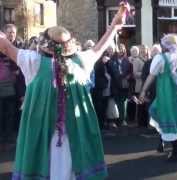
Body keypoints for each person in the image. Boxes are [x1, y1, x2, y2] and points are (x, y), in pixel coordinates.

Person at [0, 3, 129, 179]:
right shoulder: (82, 61)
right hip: (75, 135)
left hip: (43, 135)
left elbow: (5, 46)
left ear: (45, 43)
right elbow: (100, 46)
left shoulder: (33, 61)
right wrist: (116, 24)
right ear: (70, 44)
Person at [139, 34, 177, 162]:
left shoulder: (160, 59)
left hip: (165, 95)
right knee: (173, 121)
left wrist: (143, 90)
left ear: (165, 46)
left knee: (162, 116)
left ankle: (175, 151)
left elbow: (151, 76)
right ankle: (169, 146)